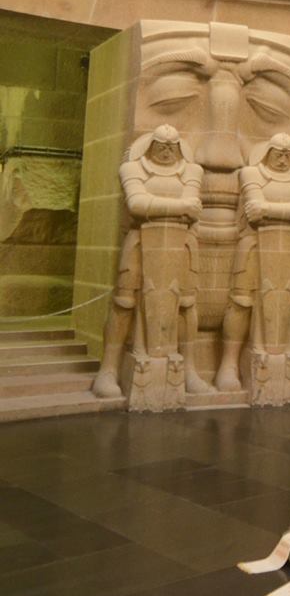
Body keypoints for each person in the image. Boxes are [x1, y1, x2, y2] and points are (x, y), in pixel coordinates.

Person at [92, 125, 213, 398]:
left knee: (186, 304)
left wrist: (163, 205)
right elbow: (137, 203)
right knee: (124, 302)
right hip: (140, 243)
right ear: (150, 145)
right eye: (161, 145)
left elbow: (193, 203)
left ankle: (190, 369)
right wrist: (181, 207)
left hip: (182, 245)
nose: (167, 150)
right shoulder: (132, 168)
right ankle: (109, 368)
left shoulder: (192, 171)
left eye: (173, 146)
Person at [215, 133, 290, 392]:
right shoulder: (251, 174)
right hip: (253, 245)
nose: (284, 159)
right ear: (267, 152)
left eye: (288, 154)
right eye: (278, 154)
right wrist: (288, 211)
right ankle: (228, 364)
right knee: (241, 302)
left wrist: (270, 211)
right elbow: (253, 206)